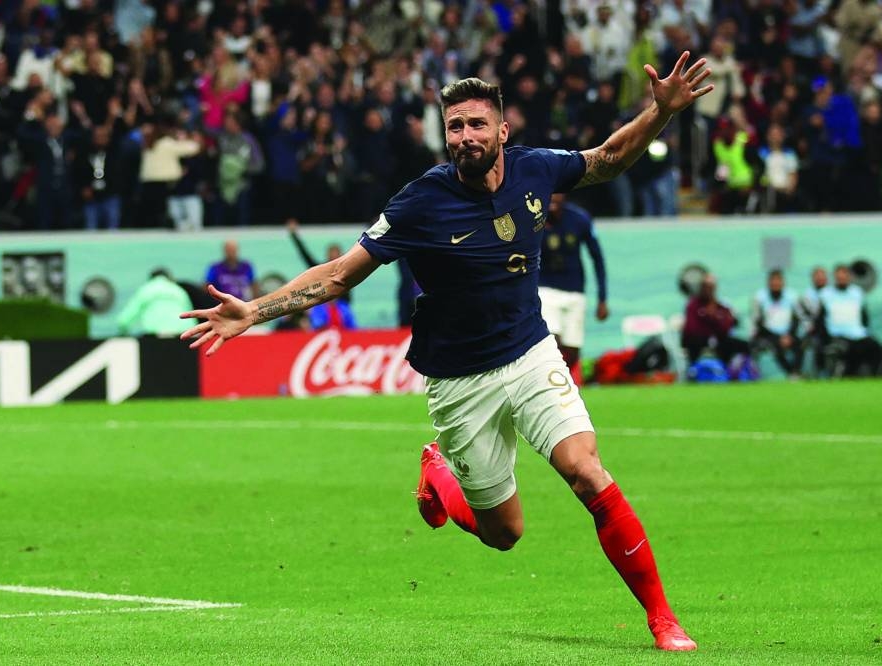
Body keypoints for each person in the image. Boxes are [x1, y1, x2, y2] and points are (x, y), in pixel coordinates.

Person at [181, 53, 713, 652]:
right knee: (505, 534)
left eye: (477, 125)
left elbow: (609, 159)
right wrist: (254, 310)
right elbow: (337, 276)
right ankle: (441, 474)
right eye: (455, 127)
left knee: (586, 472)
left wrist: (660, 113)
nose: (466, 136)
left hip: (532, 353)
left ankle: (662, 619)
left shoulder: (536, 171)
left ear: (502, 131)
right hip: (460, 382)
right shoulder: (420, 202)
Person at [537, 193, 608, 380]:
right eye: (550, 193)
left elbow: (597, 258)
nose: (553, 198)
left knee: (572, 351)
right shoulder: (533, 219)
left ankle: (563, 387)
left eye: (557, 193)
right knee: (551, 343)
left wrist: (602, 298)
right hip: (545, 289)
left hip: (575, 292)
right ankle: (548, 388)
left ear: (565, 196)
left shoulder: (579, 219)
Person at [816, 264, 882, 376]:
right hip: (837, 335)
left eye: (844, 276)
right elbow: (820, 320)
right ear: (835, 277)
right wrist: (826, 338)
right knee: (845, 350)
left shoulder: (857, 293)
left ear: (849, 277)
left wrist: (864, 330)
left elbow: (864, 318)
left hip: (858, 335)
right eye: (839, 277)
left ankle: (876, 376)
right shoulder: (826, 294)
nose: (842, 279)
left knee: (878, 348)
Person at [681, 273, 750, 366]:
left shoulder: (720, 306)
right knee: (694, 343)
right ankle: (695, 372)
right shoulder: (693, 305)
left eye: (711, 287)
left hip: (718, 340)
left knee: (742, 345)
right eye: (706, 286)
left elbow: (726, 327)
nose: (708, 290)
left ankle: (737, 372)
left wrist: (715, 318)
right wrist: (708, 319)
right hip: (698, 342)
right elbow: (691, 329)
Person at [750, 270, 803, 376]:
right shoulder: (760, 297)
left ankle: (796, 371)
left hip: (788, 334)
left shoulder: (792, 296)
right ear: (768, 283)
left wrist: (789, 335)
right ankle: (791, 373)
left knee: (800, 344)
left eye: (778, 281)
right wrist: (778, 337)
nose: (775, 284)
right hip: (768, 335)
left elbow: (796, 319)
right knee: (775, 346)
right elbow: (758, 323)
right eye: (773, 281)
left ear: (783, 283)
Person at [117, 268, 193, 337]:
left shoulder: (146, 289)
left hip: (155, 336)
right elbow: (190, 314)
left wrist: (123, 333)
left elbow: (125, 320)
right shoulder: (179, 290)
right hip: (183, 334)